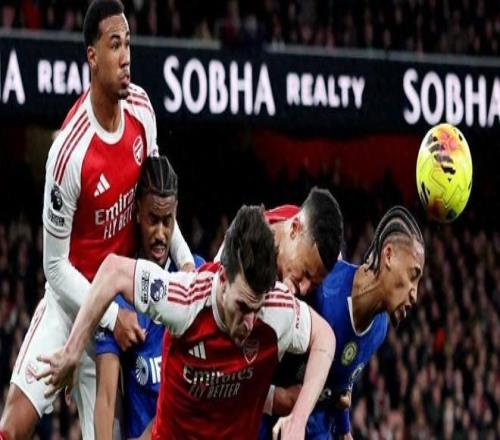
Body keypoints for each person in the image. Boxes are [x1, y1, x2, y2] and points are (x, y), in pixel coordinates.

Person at [0, 1, 194, 439]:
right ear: (92, 56)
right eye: (114, 45)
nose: (126, 57)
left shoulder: (142, 110)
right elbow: (54, 267)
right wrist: (106, 317)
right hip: (75, 304)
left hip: (127, 300)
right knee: (11, 428)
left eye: (128, 44)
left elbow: (157, 205)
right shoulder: (68, 153)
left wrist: (186, 265)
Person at [36, 205, 336, 440]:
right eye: (242, 306)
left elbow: (325, 338)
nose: (249, 323)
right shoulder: (185, 299)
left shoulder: (276, 307)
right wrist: (72, 351)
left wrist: (298, 420)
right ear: (222, 278)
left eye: (256, 310)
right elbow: (113, 271)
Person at [260, 206, 425, 439]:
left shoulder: (379, 329)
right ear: (388, 255)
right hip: (267, 419)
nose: (415, 294)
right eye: (413, 275)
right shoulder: (321, 282)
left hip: (317, 428)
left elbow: (339, 384)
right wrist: (275, 399)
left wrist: (345, 430)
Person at [94, 155, 205, 439]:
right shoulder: (119, 296)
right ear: (137, 213)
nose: (160, 233)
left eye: (167, 221)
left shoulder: (199, 277)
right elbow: (106, 398)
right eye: (152, 220)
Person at [218, 187, 344, 297]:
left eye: (314, 284)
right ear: (294, 229)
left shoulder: (306, 225)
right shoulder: (242, 250)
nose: (304, 289)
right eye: (306, 273)